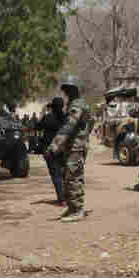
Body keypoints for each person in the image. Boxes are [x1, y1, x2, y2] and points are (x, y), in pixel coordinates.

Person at [46, 76, 92, 221]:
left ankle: (77, 210)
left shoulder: (77, 105)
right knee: (69, 175)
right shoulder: (77, 104)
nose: (66, 93)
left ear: (74, 89)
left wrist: (54, 146)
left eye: (68, 89)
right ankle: (72, 207)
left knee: (73, 176)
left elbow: (68, 126)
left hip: (76, 146)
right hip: (74, 145)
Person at [37, 97, 66, 204]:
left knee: (56, 175)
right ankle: (68, 197)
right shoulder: (66, 118)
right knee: (64, 174)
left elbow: (37, 126)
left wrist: (43, 113)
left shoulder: (48, 117)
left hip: (50, 150)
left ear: (52, 107)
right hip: (63, 148)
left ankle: (61, 198)